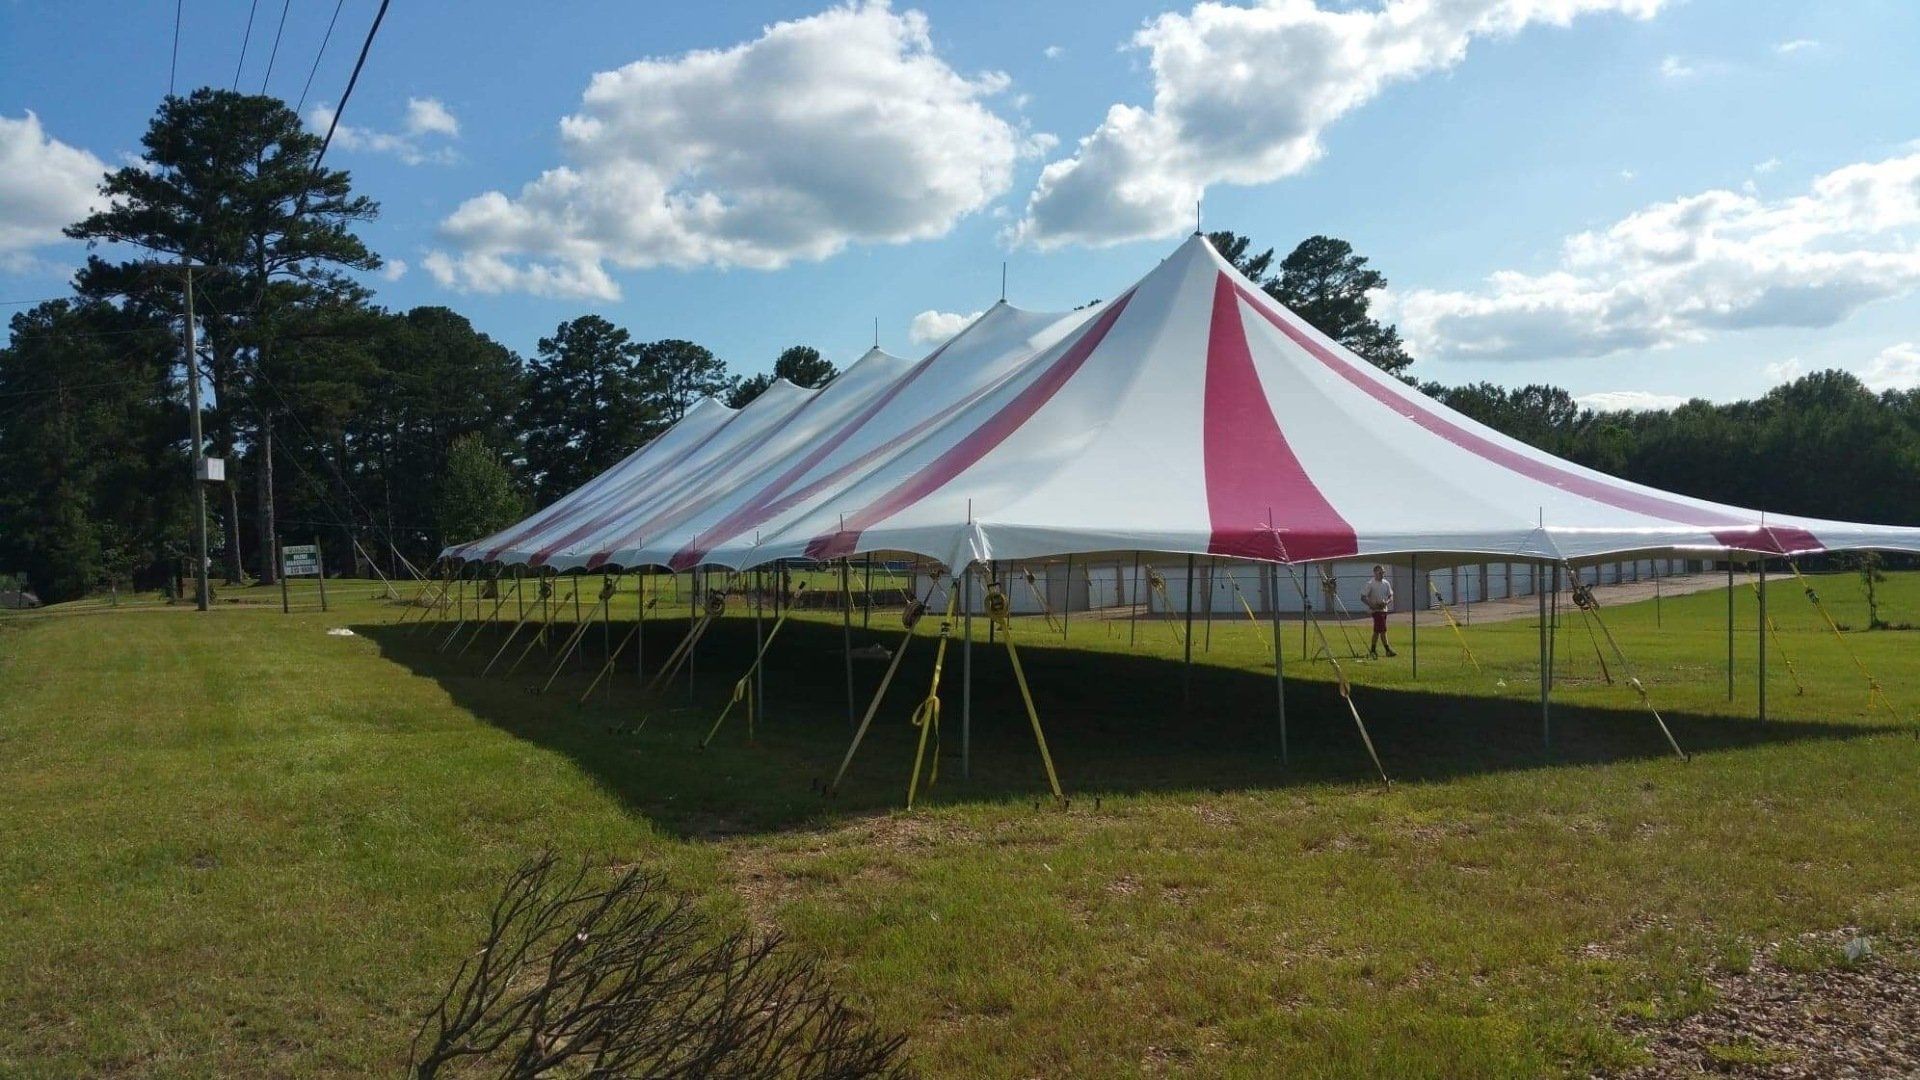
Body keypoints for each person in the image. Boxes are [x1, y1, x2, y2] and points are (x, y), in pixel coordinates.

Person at [1361, 564, 1396, 658]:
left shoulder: (1386, 583)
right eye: (1380, 572)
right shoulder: (1370, 584)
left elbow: (1390, 595)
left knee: (1377, 631)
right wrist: (1371, 605)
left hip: (1384, 610)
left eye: (1383, 572)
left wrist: (1387, 602)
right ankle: (1387, 650)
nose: (1382, 574)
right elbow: (1363, 597)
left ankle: (1373, 650)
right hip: (1376, 611)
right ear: (1375, 573)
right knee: (1383, 630)